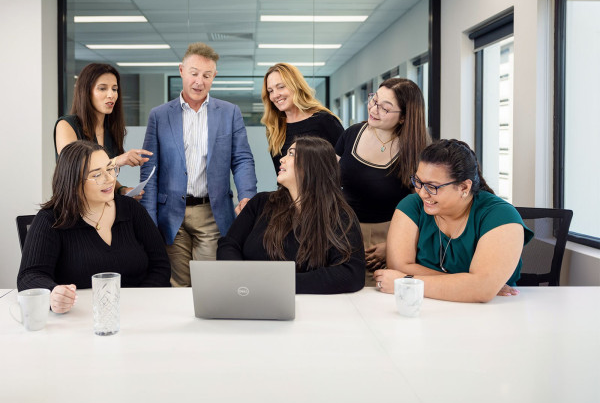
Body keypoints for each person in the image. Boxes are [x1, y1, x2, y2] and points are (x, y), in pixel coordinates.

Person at [140, 42, 257, 288]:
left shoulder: (229, 112)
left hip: (211, 212)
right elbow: (150, 169)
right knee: (177, 285)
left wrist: (248, 197)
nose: (199, 81)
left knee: (210, 285)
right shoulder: (159, 116)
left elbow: (242, 158)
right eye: (194, 73)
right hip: (170, 215)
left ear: (214, 76)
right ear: (182, 71)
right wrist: (149, 219)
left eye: (206, 75)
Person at [17, 141, 171, 314]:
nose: (110, 179)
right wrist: (54, 294)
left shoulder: (131, 209)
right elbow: (29, 277)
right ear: (73, 182)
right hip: (81, 317)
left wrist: (140, 303)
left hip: (141, 313)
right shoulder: (50, 219)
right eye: (97, 175)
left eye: (110, 168)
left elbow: (160, 266)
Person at [374, 139, 534, 303]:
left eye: (432, 186)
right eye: (418, 182)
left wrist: (407, 282)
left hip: (492, 314)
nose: (422, 193)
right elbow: (398, 267)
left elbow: (481, 290)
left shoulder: (501, 216)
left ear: (464, 188)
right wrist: (468, 285)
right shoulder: (412, 205)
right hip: (424, 306)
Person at [217, 137, 365, 294]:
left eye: (292, 154)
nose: (282, 159)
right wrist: (241, 278)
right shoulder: (261, 203)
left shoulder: (339, 215)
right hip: (249, 297)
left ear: (312, 165)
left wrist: (279, 284)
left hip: (311, 308)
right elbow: (229, 245)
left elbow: (351, 274)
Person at [336, 78, 429, 286]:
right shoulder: (352, 134)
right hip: (342, 232)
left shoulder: (415, 153)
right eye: (373, 100)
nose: (374, 109)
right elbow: (327, 181)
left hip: (385, 239)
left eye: (385, 108)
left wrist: (391, 245)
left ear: (404, 117)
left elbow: (427, 208)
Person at [54, 63, 152, 198]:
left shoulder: (111, 129)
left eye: (115, 89)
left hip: (104, 207)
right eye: (102, 89)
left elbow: (105, 177)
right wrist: (116, 161)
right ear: (86, 91)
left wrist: (121, 190)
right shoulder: (67, 125)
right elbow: (76, 169)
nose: (111, 95)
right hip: (75, 206)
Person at [261, 63, 344, 173]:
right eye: (270, 91)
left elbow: (346, 164)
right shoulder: (274, 127)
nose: (275, 95)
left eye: (280, 87)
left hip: (322, 189)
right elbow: (280, 172)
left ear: (296, 86)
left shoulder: (324, 120)